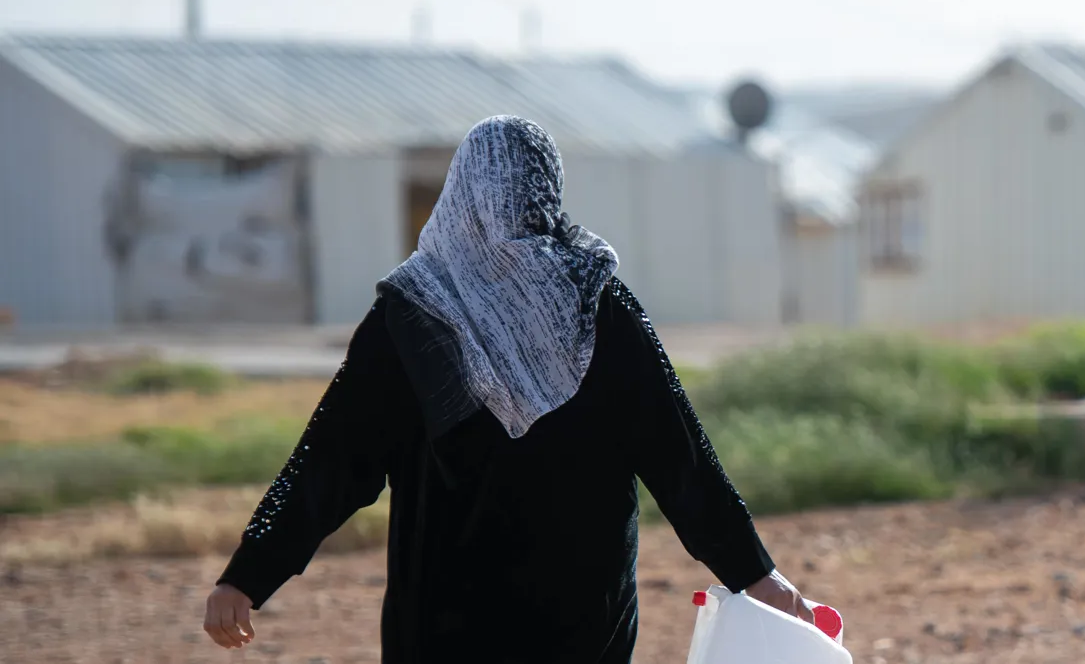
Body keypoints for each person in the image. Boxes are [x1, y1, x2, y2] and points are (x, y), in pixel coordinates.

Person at [201, 117, 821, 660]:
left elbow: (330, 461)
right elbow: (680, 457)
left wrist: (248, 575)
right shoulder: (596, 303)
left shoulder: (410, 316)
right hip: (581, 623)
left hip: (441, 625)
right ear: (546, 189)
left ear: (458, 192)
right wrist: (754, 573)